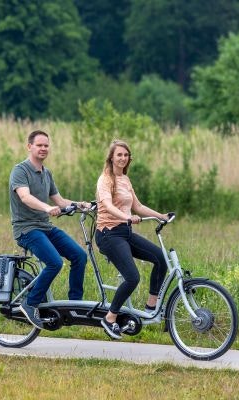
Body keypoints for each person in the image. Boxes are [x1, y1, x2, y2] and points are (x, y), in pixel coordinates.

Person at [9, 130, 90, 329]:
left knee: (79, 255)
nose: (44, 148)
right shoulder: (20, 171)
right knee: (54, 262)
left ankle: (73, 305)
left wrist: (80, 204)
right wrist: (47, 208)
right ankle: (30, 303)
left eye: (46, 145)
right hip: (27, 229)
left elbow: (60, 201)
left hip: (45, 227)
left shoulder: (46, 173)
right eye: (39, 145)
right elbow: (25, 197)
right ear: (29, 146)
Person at [95, 140, 169, 340]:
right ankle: (110, 318)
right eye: (119, 155)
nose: (123, 158)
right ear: (111, 157)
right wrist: (125, 217)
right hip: (108, 233)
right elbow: (108, 205)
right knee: (132, 277)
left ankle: (150, 306)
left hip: (125, 232)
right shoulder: (105, 179)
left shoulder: (125, 180)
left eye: (126, 155)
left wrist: (161, 216)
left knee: (161, 259)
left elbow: (138, 206)